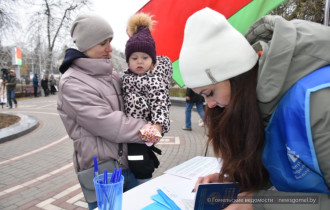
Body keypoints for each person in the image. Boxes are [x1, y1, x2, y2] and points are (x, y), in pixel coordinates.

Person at [179, 8, 330, 209]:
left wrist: (258, 203)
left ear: (234, 76)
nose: (211, 105)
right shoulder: (264, 103)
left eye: (210, 93)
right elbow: (287, 175)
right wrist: (236, 184)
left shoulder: (319, 102)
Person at [57, 13, 149, 210]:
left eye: (110, 41)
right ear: (86, 45)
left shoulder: (111, 75)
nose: (109, 49)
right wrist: (150, 130)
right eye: (102, 44)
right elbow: (109, 124)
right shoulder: (72, 82)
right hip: (104, 174)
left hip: (128, 165)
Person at [122, 12, 173, 184]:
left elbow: (160, 104)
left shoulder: (154, 80)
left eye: (145, 57)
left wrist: (157, 127)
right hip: (126, 130)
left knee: (140, 165)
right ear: (128, 60)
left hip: (145, 130)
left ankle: (144, 184)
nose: (139, 61)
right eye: (134, 58)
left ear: (152, 60)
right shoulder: (124, 78)